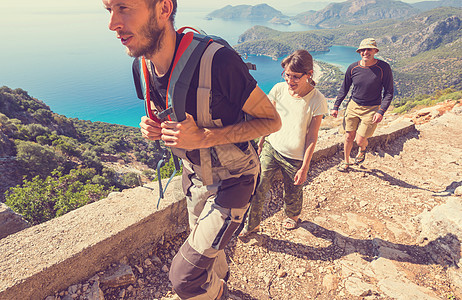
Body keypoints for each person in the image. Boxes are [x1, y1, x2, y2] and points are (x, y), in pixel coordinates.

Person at [102, 0, 281, 299]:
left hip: (235, 178)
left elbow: (271, 121)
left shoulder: (218, 62)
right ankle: (219, 286)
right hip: (194, 179)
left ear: (163, 8)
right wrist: (152, 127)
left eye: (124, 7)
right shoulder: (142, 66)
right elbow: (175, 112)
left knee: (185, 278)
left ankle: (218, 294)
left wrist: (205, 138)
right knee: (209, 254)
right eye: (108, 10)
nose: (113, 24)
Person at [240, 50, 328, 235]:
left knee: (293, 191)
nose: (290, 81)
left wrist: (304, 167)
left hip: (295, 157)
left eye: (296, 77)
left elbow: (312, 135)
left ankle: (293, 215)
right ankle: (251, 225)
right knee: (258, 186)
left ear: (309, 74)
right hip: (272, 148)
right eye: (287, 75)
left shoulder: (317, 100)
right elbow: (268, 119)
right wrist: (261, 141)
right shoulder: (279, 89)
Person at [330, 38, 394, 172]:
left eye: (369, 49)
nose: (365, 52)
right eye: (362, 50)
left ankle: (363, 148)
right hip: (353, 106)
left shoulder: (383, 68)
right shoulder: (353, 68)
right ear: (359, 52)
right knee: (348, 136)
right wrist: (336, 106)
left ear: (375, 51)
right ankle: (346, 162)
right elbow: (344, 88)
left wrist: (381, 111)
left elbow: (388, 92)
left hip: (372, 109)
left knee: (360, 140)